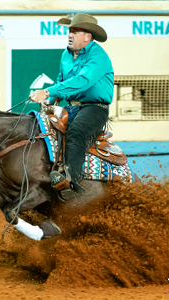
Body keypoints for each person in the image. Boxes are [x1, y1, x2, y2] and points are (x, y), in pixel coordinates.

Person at [30, 13, 114, 199]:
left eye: (75, 31)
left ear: (88, 37)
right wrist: (50, 102)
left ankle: (70, 179)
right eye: (70, 30)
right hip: (72, 107)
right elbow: (62, 80)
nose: (70, 34)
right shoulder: (65, 56)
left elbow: (82, 81)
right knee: (41, 124)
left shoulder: (99, 56)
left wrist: (47, 92)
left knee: (76, 131)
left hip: (95, 108)